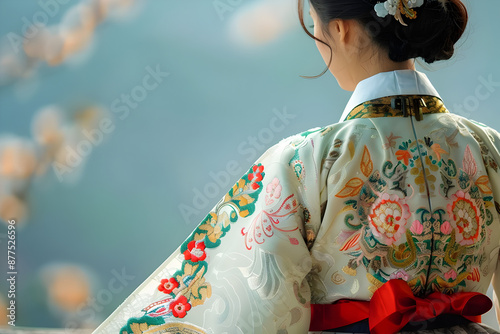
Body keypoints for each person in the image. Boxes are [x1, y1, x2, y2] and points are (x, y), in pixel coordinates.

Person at [94, 0, 500, 333]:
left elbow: (256, 304)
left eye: (315, 27)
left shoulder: (309, 159)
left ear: (339, 30)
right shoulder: (490, 150)